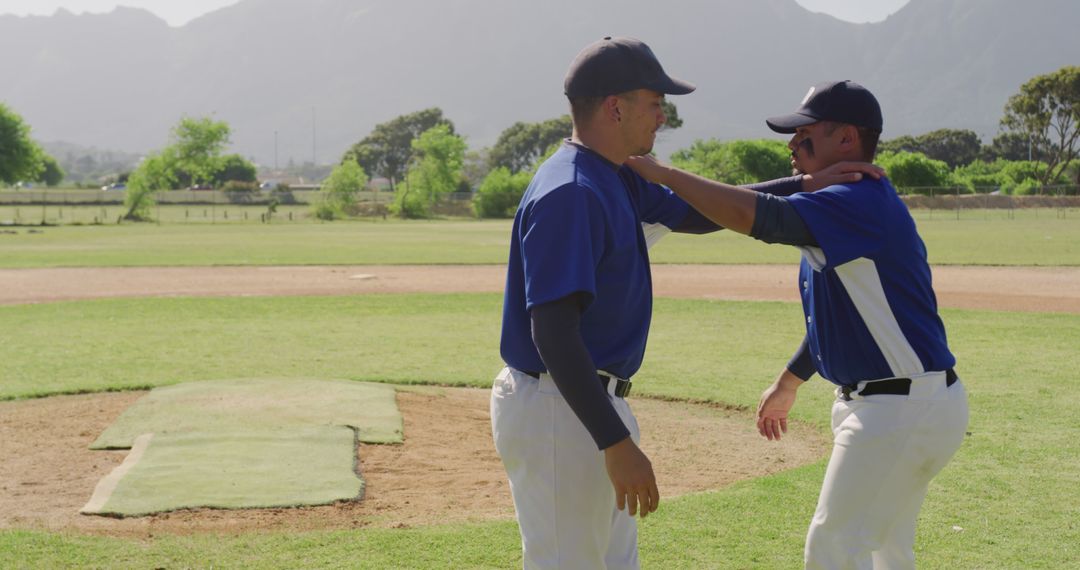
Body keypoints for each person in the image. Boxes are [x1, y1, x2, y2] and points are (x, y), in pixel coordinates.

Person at [491, 38, 878, 569]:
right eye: (655, 101)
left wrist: (803, 185)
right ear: (615, 107)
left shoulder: (616, 173)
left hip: (582, 404)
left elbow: (694, 211)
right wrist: (615, 441)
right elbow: (553, 332)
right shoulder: (571, 190)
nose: (664, 114)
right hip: (561, 409)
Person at [625, 80, 970, 569]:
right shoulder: (842, 201)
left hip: (900, 409)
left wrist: (665, 174)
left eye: (805, 133)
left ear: (847, 139)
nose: (791, 145)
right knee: (884, 547)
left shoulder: (857, 203)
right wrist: (790, 380)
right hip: (904, 402)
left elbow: (757, 217)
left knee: (832, 546)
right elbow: (847, 318)